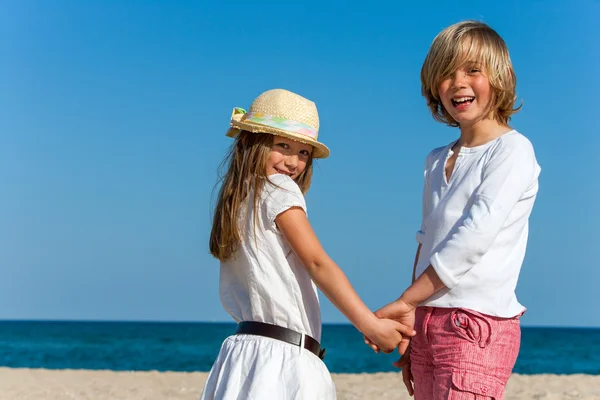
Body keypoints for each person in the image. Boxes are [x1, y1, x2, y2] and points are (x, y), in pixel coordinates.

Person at [201, 88, 415, 400]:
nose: (292, 162)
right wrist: (370, 325)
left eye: (303, 153)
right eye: (282, 145)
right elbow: (317, 262)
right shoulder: (278, 188)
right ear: (250, 142)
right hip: (282, 360)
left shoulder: (239, 202)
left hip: (243, 356)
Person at [371, 21, 541, 399]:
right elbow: (427, 240)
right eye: (446, 73)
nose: (458, 82)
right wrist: (414, 313)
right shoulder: (436, 160)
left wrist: (405, 300)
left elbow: (472, 238)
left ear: (499, 78)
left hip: (475, 323)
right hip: (428, 320)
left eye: (472, 70)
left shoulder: (512, 151)